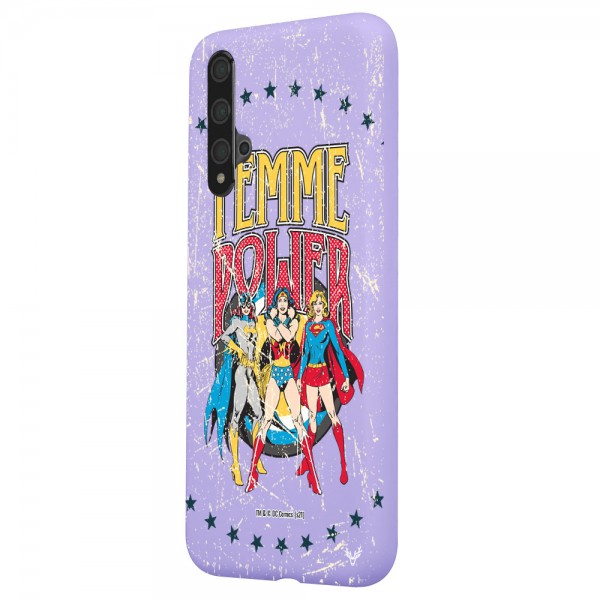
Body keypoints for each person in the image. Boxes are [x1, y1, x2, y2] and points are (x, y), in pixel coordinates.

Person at [245, 288, 321, 494]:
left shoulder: (292, 322)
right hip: (274, 374)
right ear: (275, 304)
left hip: (288, 374)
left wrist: (280, 322)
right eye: (279, 300)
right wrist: (279, 322)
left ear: (289, 303)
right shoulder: (271, 322)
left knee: (298, 421)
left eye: (285, 300)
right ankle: (252, 474)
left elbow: (287, 336)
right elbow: (276, 335)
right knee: (266, 420)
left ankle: (313, 476)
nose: (282, 303)